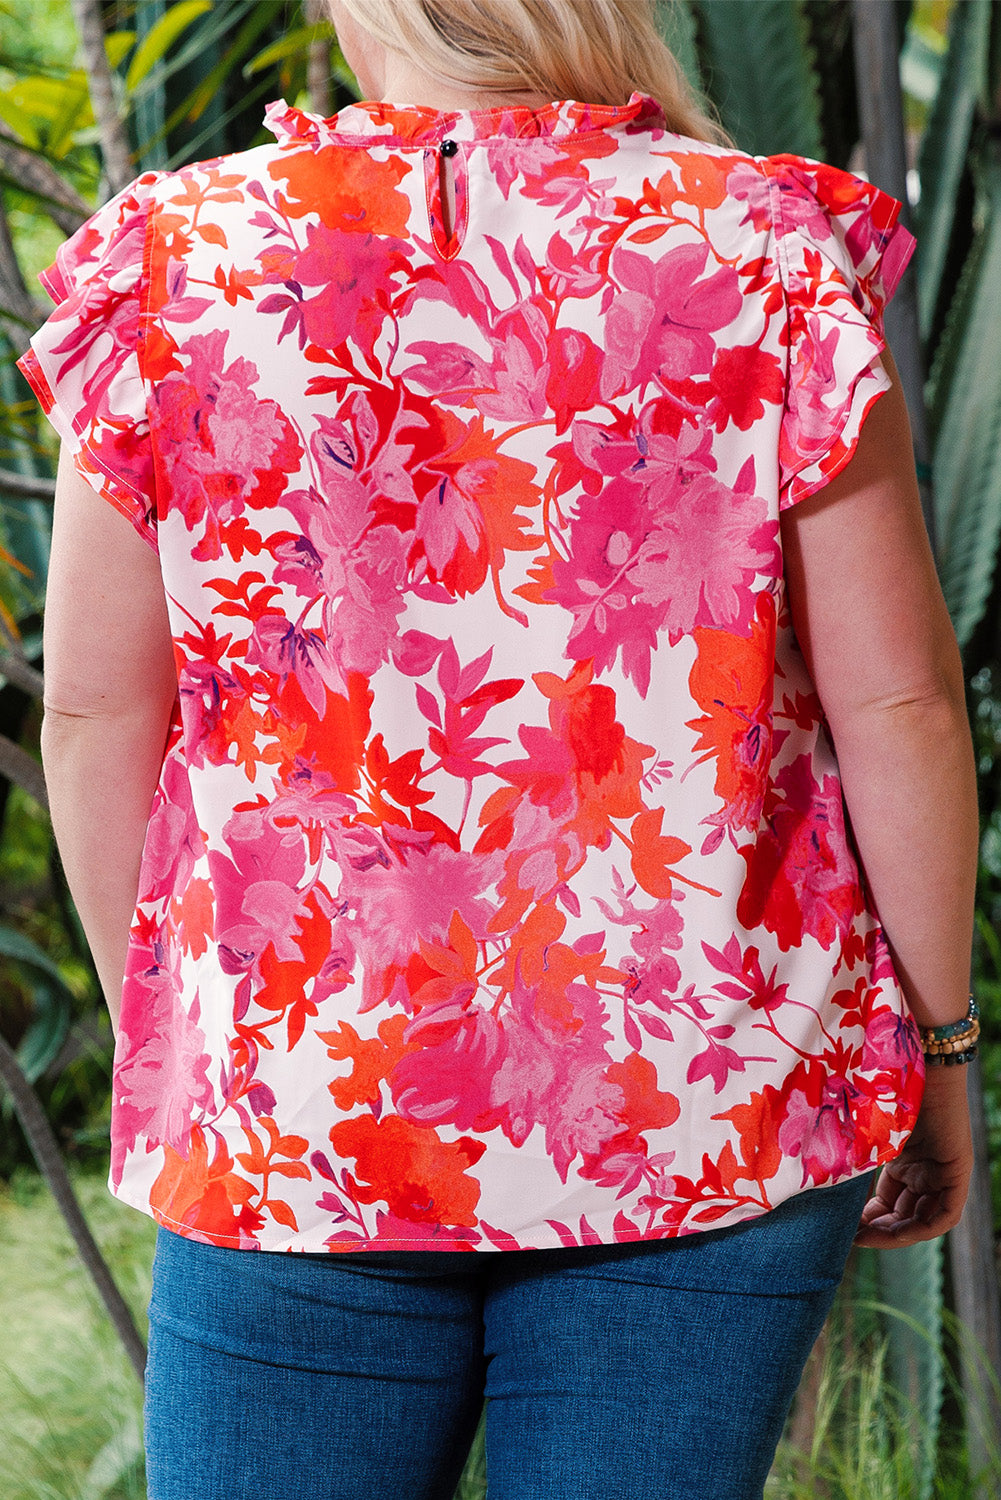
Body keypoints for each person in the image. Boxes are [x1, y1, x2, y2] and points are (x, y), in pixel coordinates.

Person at [19, 1, 978, 1496]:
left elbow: (91, 717)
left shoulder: (175, 259)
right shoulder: (760, 249)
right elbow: (900, 703)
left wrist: (197, 1047)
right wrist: (940, 1048)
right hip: (701, 1107)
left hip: (299, 1121)